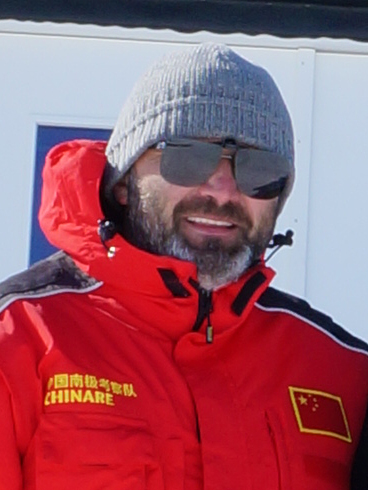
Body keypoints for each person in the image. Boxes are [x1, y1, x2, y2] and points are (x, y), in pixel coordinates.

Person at [0, 42, 367, 490]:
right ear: (123, 184)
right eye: (189, 157)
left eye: (258, 169)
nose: (223, 190)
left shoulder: (342, 369)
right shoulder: (19, 338)